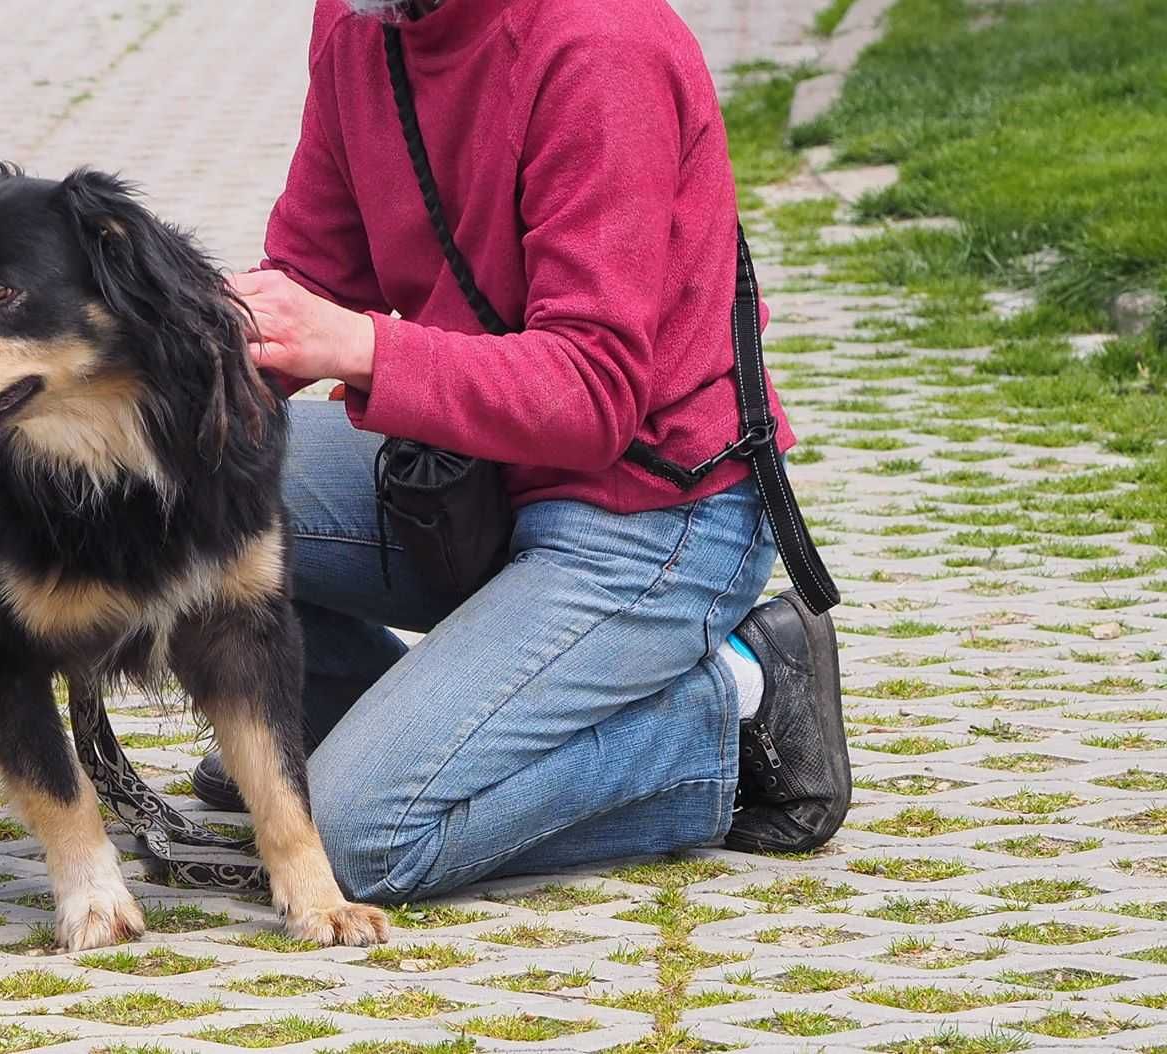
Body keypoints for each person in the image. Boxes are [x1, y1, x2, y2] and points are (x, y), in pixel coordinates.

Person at [187, 0, 853, 903]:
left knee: (352, 837)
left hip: (655, 515)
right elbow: (311, 269)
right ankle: (383, 734)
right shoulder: (360, 18)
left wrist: (359, 346)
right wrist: (153, 385)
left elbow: (595, 393)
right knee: (175, 492)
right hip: (469, 476)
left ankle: (732, 711)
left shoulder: (600, 44)